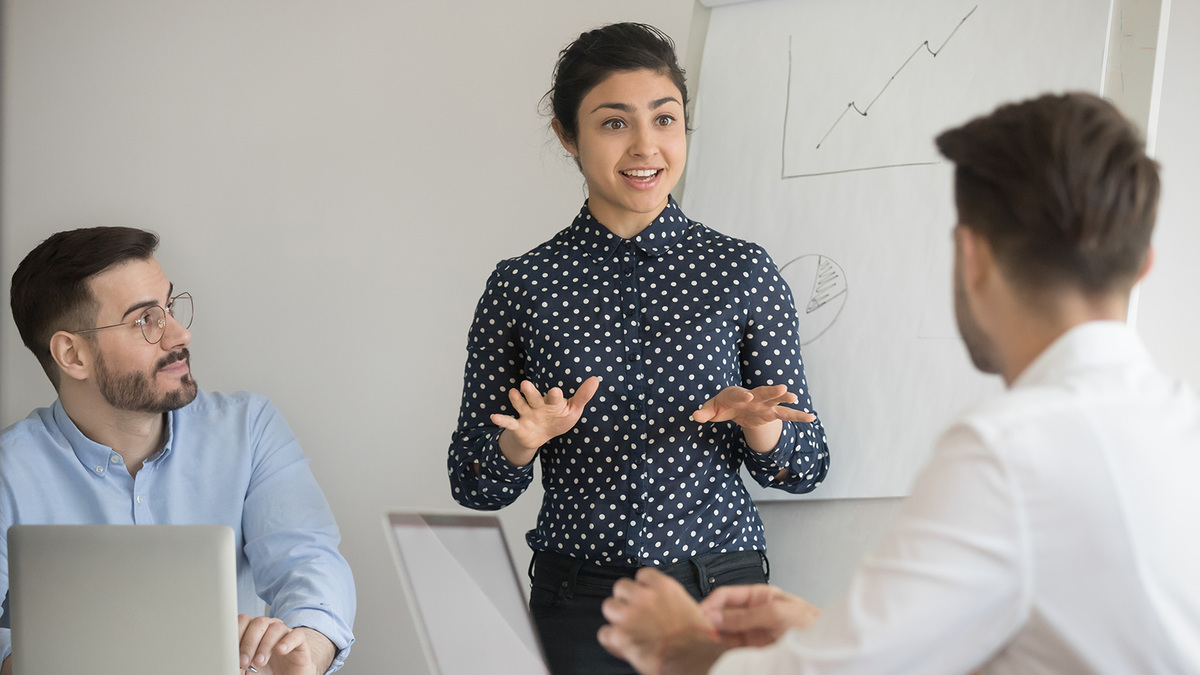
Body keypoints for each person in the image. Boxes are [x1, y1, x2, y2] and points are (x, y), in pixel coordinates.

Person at [596, 92, 1200, 674]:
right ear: (1143, 263)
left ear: (971, 256)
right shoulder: (1184, 424)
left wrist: (677, 645)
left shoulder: (1007, 451)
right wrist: (823, 632)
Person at [447, 22, 830, 675]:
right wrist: (522, 441)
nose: (646, 145)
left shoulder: (742, 272)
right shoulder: (521, 285)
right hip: (578, 606)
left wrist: (760, 427)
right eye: (615, 123)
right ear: (568, 135)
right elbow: (472, 482)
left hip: (720, 594)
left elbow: (807, 467)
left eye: (665, 118)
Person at [0, 227, 357, 675]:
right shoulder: (9, 472)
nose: (180, 334)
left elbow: (309, 561)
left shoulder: (249, 429)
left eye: (168, 308)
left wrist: (308, 648)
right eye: (144, 320)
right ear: (72, 355)